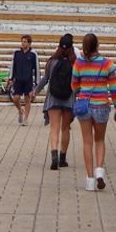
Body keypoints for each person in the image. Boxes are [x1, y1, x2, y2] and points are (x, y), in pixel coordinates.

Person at [72, 33, 116, 191]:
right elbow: (114, 88)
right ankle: (99, 170)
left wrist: (83, 89)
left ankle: (89, 180)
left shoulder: (78, 63)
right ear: (97, 45)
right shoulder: (107, 63)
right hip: (101, 106)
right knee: (99, 140)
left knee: (87, 142)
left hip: (84, 106)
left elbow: (74, 85)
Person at [35, 34, 77, 169]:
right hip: (69, 98)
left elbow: (45, 79)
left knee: (54, 128)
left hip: (53, 98)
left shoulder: (51, 61)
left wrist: (34, 91)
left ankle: (54, 156)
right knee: (65, 128)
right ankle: (62, 158)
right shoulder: (75, 63)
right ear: (72, 47)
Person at [9, 35, 39, 126]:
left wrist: (37, 82)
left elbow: (36, 68)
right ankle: (20, 110)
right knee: (16, 98)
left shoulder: (33, 54)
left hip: (28, 80)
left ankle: (26, 119)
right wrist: (11, 78)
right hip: (18, 80)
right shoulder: (17, 53)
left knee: (27, 100)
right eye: (22, 41)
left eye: (25, 41)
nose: (23, 43)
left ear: (29, 43)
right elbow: (12, 66)